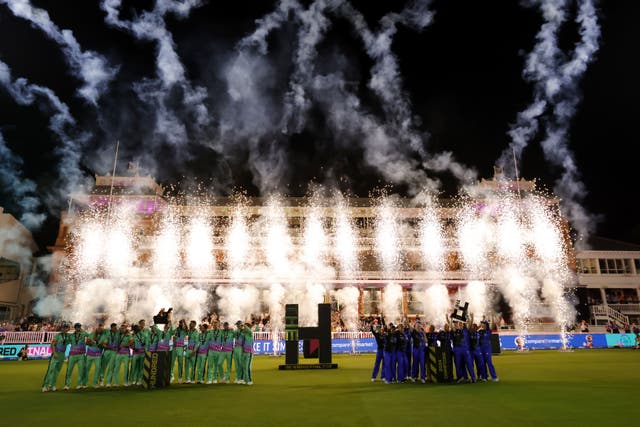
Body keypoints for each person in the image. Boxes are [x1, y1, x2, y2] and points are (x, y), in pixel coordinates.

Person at [42, 323, 70, 392]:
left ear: (68, 329)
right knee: (50, 370)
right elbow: (52, 344)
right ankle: (45, 386)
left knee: (57, 371)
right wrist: (54, 353)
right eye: (64, 328)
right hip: (56, 354)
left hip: (62, 355)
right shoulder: (58, 335)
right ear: (62, 329)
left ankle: (52, 385)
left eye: (66, 328)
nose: (65, 329)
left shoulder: (68, 336)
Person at [64, 323, 89, 390]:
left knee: (81, 370)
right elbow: (66, 343)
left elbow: (89, 335)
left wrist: (83, 330)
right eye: (77, 327)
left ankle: (79, 384)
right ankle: (67, 385)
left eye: (79, 327)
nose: (79, 328)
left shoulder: (83, 334)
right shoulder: (71, 336)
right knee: (69, 370)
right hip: (72, 355)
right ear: (75, 328)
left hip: (81, 355)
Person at [85, 323, 106, 388]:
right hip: (90, 354)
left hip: (98, 355)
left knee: (97, 369)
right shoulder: (91, 334)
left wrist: (99, 343)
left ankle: (95, 383)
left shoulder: (104, 335)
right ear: (97, 328)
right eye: (99, 328)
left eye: (101, 329)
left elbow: (104, 344)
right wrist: (90, 342)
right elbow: (87, 343)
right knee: (87, 369)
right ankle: (84, 383)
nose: (100, 330)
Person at [99, 323, 119, 387]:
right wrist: (106, 346)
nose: (116, 329)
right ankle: (101, 381)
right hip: (107, 351)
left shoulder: (118, 333)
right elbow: (104, 343)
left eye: (116, 328)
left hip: (114, 352)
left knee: (111, 367)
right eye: (115, 328)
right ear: (111, 328)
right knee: (103, 367)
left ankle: (108, 382)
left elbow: (125, 331)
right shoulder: (107, 332)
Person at [479, 317, 498, 382]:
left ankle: (494, 377)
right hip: (481, 349)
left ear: (486, 325)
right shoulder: (480, 331)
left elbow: (492, 326)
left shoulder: (488, 331)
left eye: (483, 324)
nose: (482, 325)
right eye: (482, 324)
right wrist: (483, 318)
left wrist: (492, 317)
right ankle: (485, 376)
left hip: (487, 349)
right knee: (482, 363)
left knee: (489, 363)